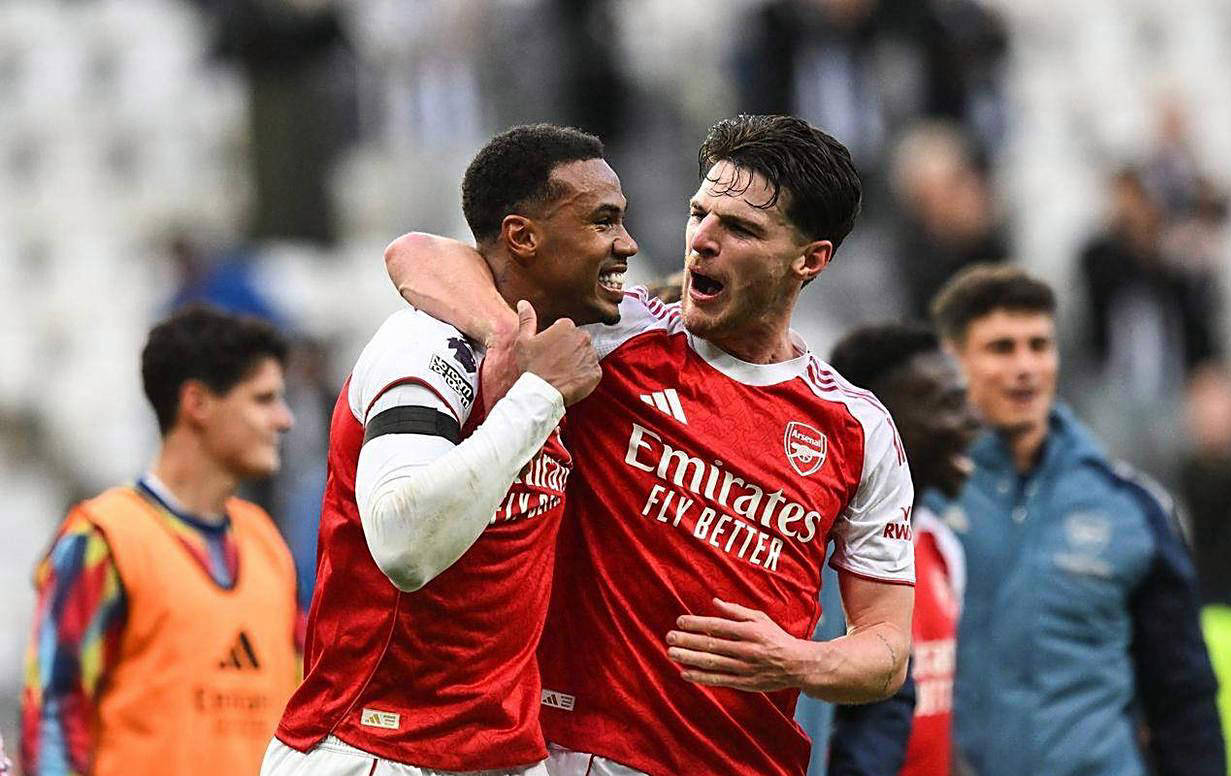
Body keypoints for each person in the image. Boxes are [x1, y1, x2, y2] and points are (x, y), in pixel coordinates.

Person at [386, 114, 915, 776]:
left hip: (749, 761)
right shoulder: (618, 332)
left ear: (810, 260)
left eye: (741, 229)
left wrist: (795, 660)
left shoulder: (859, 430)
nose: (703, 242)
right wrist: (510, 337)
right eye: (700, 214)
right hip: (584, 750)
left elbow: (888, 649)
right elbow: (414, 253)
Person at [264, 124, 633, 776]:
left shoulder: (561, 347)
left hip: (502, 753)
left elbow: (417, 252)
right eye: (603, 222)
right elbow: (403, 543)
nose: (626, 244)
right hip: (379, 749)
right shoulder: (426, 348)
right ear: (522, 236)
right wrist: (538, 398)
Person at [928, 264, 1226, 776]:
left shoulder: (1131, 508)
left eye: (1039, 346)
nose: (1026, 367)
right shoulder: (914, 501)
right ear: (953, 361)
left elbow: (1182, 695)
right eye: (1002, 348)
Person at [21, 305, 300, 776]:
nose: (284, 419)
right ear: (197, 404)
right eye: (263, 399)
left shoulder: (267, 543)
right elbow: (54, 717)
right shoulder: (104, 539)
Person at [808, 324, 980, 776]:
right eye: (947, 405)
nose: (972, 421)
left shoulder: (942, 548)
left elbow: (936, 722)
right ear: (882, 420)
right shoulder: (819, 557)